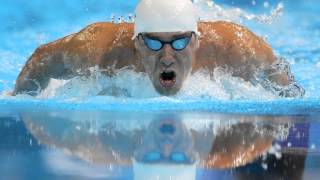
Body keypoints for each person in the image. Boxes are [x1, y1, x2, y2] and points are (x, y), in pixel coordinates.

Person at [13, 0, 304, 97]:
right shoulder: (98, 50)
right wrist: (16, 99)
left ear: (196, 41)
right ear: (136, 44)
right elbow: (41, 60)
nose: (166, 56)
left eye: (179, 42)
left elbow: (289, 91)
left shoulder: (236, 48)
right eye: (153, 42)